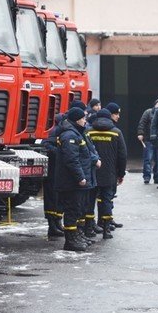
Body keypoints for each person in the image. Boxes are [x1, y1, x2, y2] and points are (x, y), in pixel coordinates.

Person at [55, 107, 99, 251]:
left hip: (76, 181)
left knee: (77, 209)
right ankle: (70, 241)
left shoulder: (76, 133)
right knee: (72, 210)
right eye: (83, 118)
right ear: (76, 119)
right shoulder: (70, 136)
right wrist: (80, 177)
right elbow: (72, 160)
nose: (85, 120)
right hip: (71, 182)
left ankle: (76, 236)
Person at [87, 108, 127, 239]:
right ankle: (106, 230)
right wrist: (121, 174)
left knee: (90, 200)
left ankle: (89, 228)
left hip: (92, 172)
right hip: (109, 173)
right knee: (106, 200)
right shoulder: (116, 132)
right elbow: (122, 155)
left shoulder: (89, 132)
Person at [41, 112, 66, 238]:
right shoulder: (55, 131)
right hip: (53, 171)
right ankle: (52, 226)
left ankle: (57, 223)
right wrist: (59, 153)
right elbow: (46, 144)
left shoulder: (62, 131)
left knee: (59, 199)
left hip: (59, 171)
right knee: (52, 198)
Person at [137, 97, 158, 184]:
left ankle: (157, 177)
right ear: (157, 103)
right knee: (147, 159)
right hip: (148, 140)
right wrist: (140, 133)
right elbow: (142, 123)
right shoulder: (148, 112)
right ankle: (146, 176)